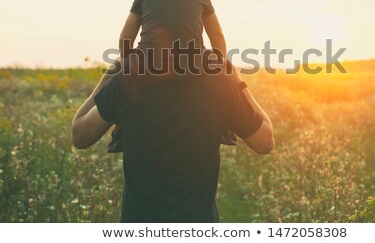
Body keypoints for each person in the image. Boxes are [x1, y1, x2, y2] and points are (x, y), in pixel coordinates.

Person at [71, 57, 275, 222]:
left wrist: (109, 77)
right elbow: (265, 142)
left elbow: (80, 136)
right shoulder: (219, 82)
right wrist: (237, 81)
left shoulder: (128, 79)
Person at [109, 0, 236, 151]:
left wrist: (129, 65)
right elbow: (216, 34)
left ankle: (121, 128)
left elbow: (125, 37)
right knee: (219, 84)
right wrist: (219, 63)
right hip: (193, 62)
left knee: (127, 91)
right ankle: (224, 124)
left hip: (150, 64)